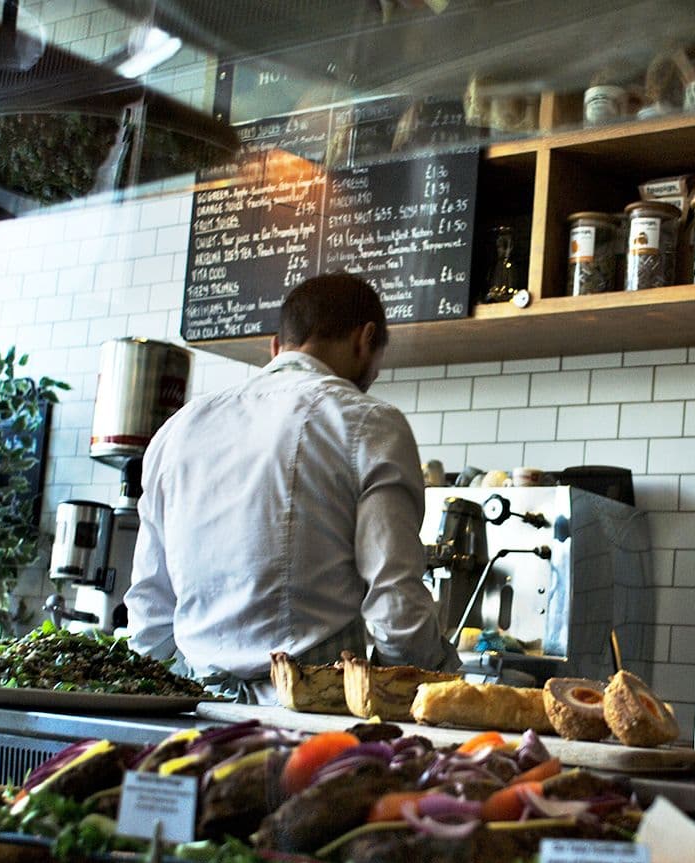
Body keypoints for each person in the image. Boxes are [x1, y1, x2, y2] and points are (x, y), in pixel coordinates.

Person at [126, 272, 457, 702]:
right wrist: (440, 680)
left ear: (276, 347)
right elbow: (395, 605)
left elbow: (151, 605)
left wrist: (161, 703)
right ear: (365, 339)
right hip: (314, 719)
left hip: (197, 713)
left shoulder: (179, 429)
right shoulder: (369, 423)